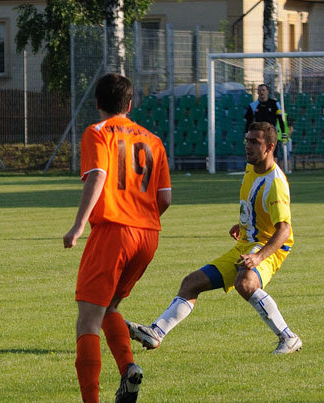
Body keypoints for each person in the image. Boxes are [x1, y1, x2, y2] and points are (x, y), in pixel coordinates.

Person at [128, 122, 302, 355]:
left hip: (269, 247)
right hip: (247, 243)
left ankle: (288, 337)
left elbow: (283, 230)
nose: (248, 146)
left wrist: (259, 257)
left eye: (255, 142)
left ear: (270, 146)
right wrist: (243, 224)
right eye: (247, 141)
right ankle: (156, 333)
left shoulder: (276, 184)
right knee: (191, 282)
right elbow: (255, 205)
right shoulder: (252, 168)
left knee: (246, 283)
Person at [62, 73, 171, 403]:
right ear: (129, 104)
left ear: (97, 103)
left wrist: (79, 225)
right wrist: (142, 216)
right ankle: (128, 367)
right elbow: (165, 198)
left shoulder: (98, 132)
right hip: (148, 236)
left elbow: (98, 176)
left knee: (87, 320)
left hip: (114, 233)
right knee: (109, 307)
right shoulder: (153, 140)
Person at [244, 84, 288, 158]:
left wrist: (283, 133)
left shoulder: (275, 104)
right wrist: (246, 133)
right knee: (260, 155)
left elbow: (280, 119)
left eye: (263, 90)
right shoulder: (253, 105)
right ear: (257, 92)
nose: (261, 92)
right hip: (259, 135)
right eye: (260, 90)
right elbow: (249, 121)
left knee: (273, 156)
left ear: (267, 92)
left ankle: (273, 169)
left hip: (272, 134)